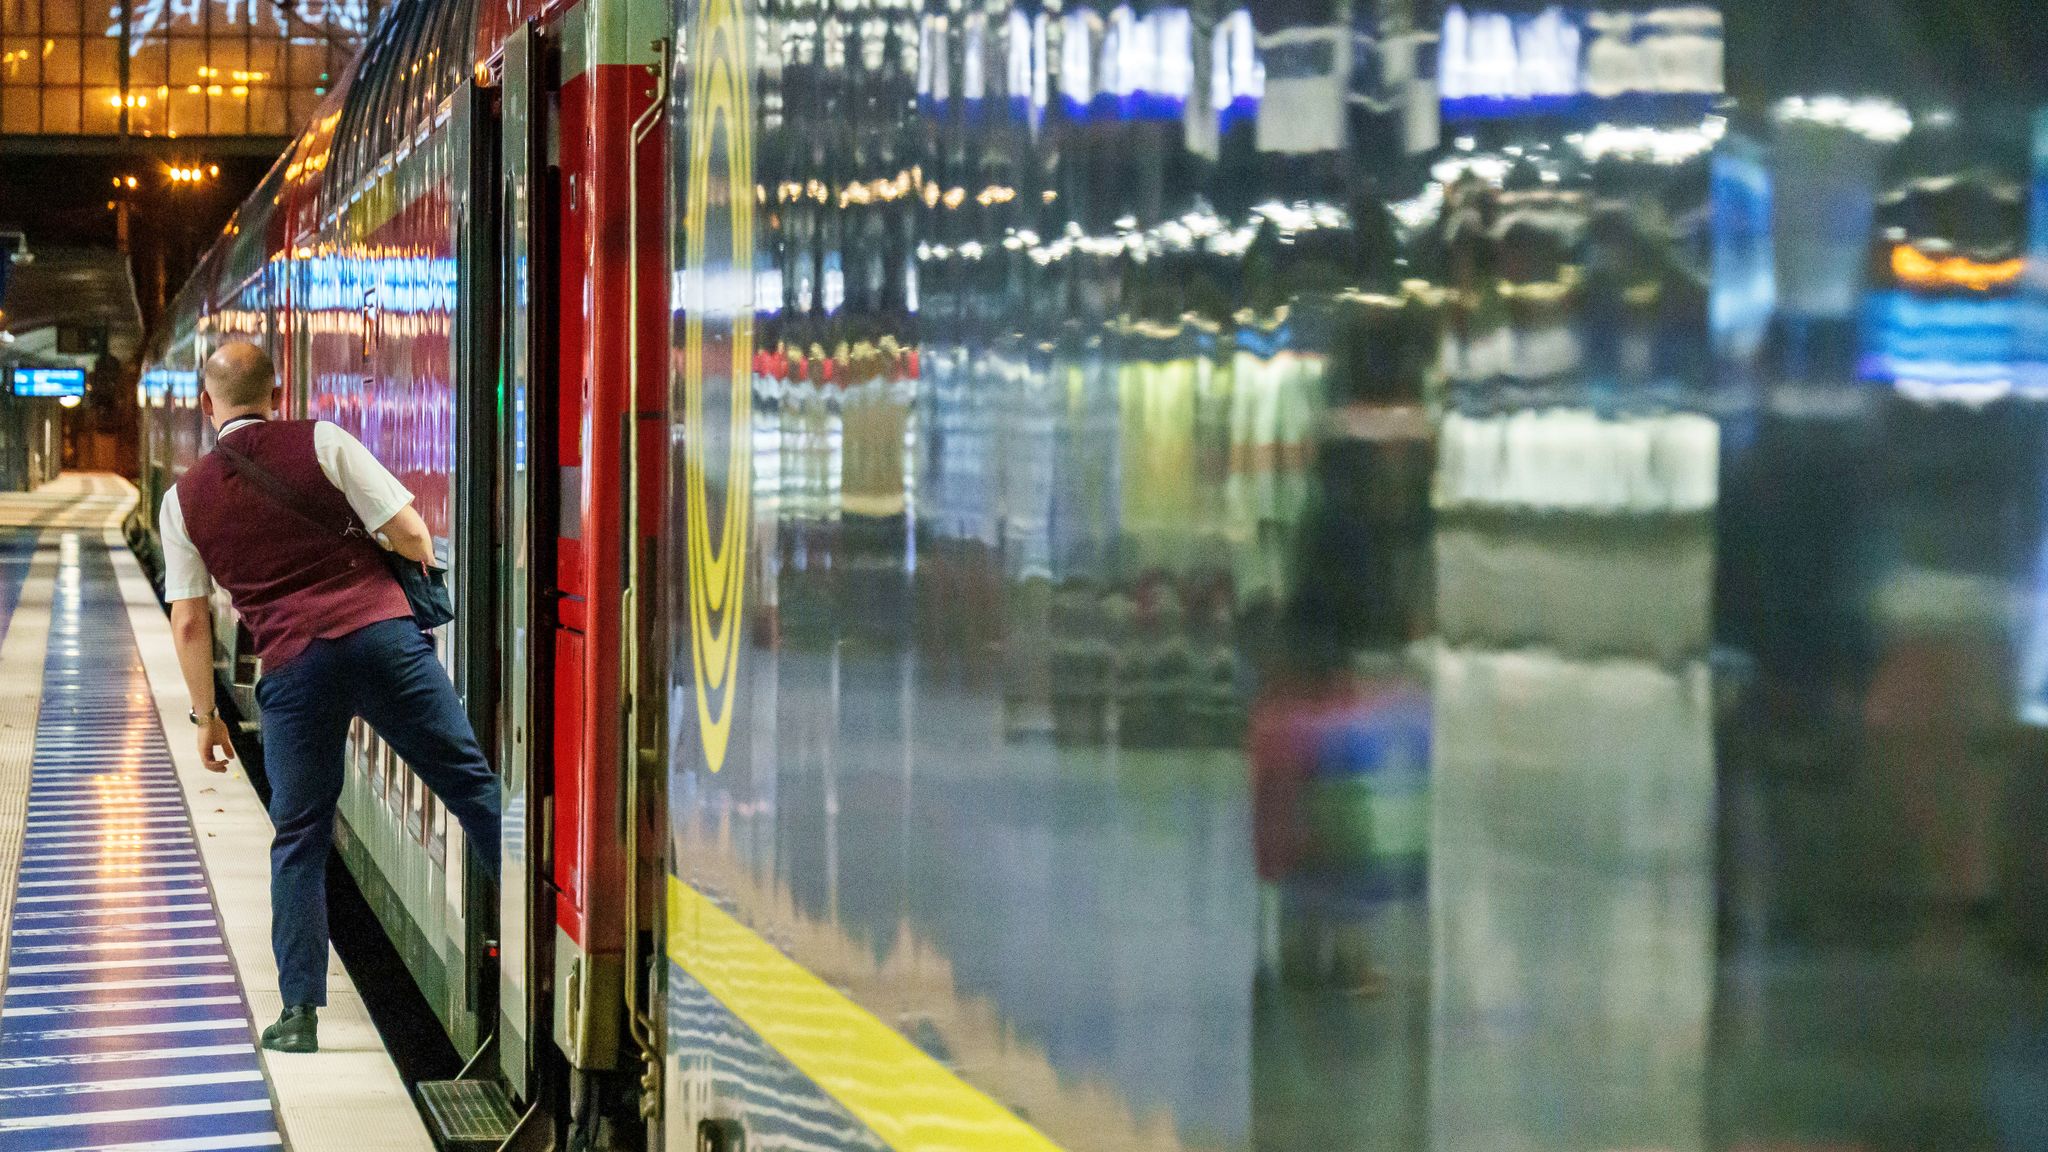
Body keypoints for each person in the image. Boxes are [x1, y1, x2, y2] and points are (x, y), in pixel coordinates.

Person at [160, 341, 501, 1054]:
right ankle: (536, 939)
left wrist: (207, 717)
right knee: (473, 789)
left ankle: (300, 1015)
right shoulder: (320, 440)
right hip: (383, 643)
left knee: (301, 836)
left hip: (293, 667)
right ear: (276, 391)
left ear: (205, 403)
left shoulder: (183, 499)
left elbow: (189, 619)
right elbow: (408, 531)